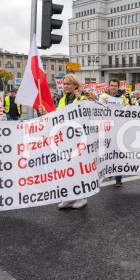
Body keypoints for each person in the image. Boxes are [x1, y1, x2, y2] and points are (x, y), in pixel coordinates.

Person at [39, 74, 88, 210]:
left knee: (78, 168)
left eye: (68, 84)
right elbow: (56, 115)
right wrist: (46, 113)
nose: (65, 86)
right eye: (64, 84)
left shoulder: (82, 98)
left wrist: (80, 100)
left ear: (75, 86)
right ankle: (69, 197)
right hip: (64, 139)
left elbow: (87, 114)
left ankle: (82, 197)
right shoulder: (62, 100)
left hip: (78, 139)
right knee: (66, 169)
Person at [101, 78, 126, 187]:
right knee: (107, 153)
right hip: (106, 129)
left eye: (115, 85)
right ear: (108, 86)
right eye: (111, 85)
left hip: (119, 128)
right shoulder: (103, 97)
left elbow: (127, 111)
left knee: (118, 153)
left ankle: (118, 178)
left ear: (118, 87)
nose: (113, 87)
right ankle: (110, 169)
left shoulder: (123, 98)